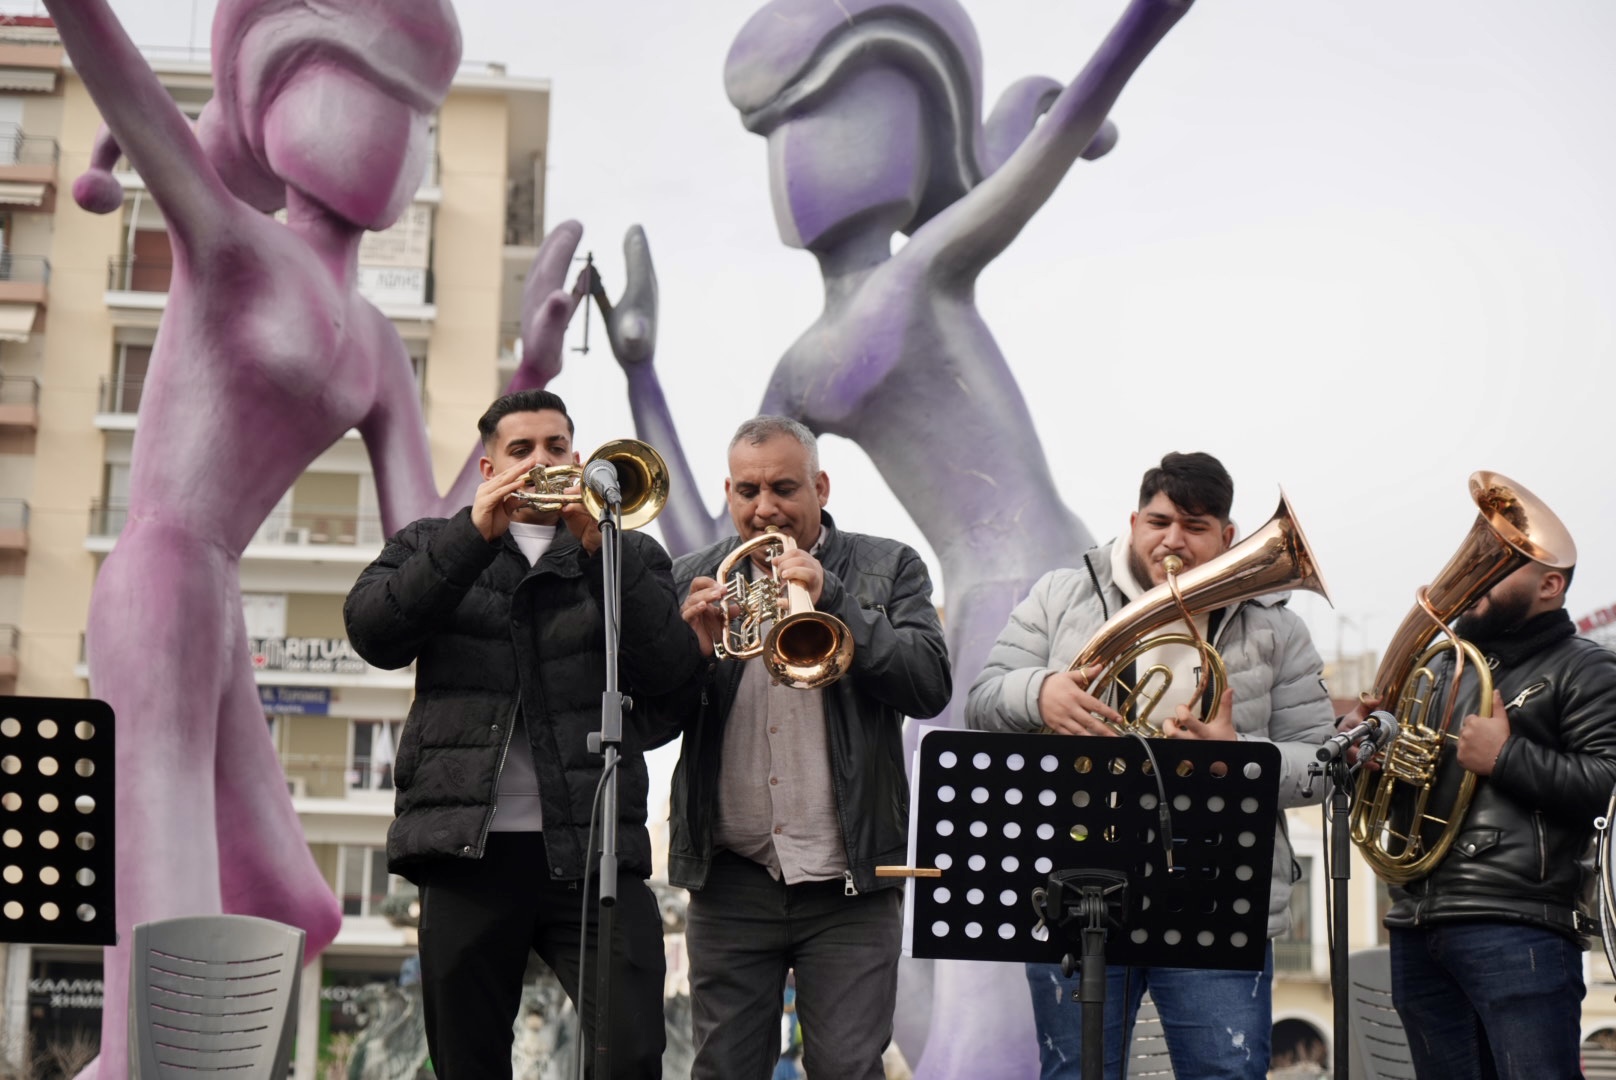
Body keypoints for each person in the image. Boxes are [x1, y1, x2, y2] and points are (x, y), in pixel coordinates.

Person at [344, 389, 701, 1079]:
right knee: (468, 1061)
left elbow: (673, 675)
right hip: (466, 855)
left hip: (593, 854)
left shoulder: (627, 553)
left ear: (578, 455)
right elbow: (374, 633)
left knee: (631, 1052)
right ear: (488, 470)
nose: (543, 461)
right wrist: (468, 539)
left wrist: (604, 549)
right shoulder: (429, 543)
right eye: (521, 450)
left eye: (557, 447)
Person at [965, 450, 1337, 1080]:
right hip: (1080, 882)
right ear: (1132, 521)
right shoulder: (1060, 596)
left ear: (1227, 536)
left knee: (1225, 1072)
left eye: (1195, 528)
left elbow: (1325, 768)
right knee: (1077, 1075)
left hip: (1218, 891)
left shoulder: (1277, 630)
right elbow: (982, 700)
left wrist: (1236, 758)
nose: (1173, 541)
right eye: (1160, 522)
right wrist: (1042, 693)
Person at [667, 415, 952, 1080]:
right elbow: (652, 720)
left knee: (849, 1070)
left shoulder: (889, 566)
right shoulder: (691, 577)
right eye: (747, 491)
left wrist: (837, 600)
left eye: (784, 488)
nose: (764, 507)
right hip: (732, 878)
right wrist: (692, 655)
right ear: (729, 493)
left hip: (850, 882)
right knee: (724, 1071)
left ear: (821, 487)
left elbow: (929, 684)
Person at [1370, 554, 1616, 1078]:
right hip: (1418, 919)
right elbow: (1404, 796)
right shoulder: (1437, 669)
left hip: (1519, 923)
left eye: (1500, 567)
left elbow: (1610, 784)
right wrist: (1371, 761)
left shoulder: (1588, 666)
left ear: (1551, 584)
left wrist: (1506, 758)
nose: (1475, 577)